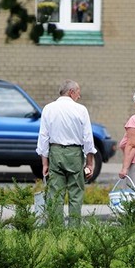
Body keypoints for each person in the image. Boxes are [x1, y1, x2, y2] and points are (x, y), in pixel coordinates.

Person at [36, 80, 97, 225]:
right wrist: (90, 163)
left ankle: (57, 229)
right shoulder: (81, 110)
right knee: (76, 193)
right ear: (71, 92)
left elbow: (43, 137)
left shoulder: (48, 109)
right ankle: (74, 229)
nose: (79, 97)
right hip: (75, 153)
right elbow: (88, 137)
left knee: (55, 194)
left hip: (55, 152)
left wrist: (44, 163)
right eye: (78, 93)